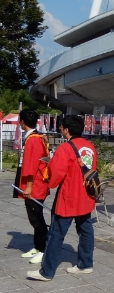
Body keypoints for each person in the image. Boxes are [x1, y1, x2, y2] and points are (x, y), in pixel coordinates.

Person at [27, 115, 97, 281]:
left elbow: (56, 174)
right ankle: (85, 264)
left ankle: (47, 271)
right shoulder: (90, 146)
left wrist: (49, 177)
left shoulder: (65, 148)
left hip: (68, 195)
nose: (59, 129)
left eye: (61, 127)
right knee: (86, 230)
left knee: (56, 233)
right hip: (86, 194)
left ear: (67, 129)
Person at [17, 109, 50, 265]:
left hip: (35, 184)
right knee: (34, 217)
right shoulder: (35, 137)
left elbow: (32, 165)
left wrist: (28, 187)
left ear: (22, 121)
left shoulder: (33, 139)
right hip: (34, 183)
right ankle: (37, 246)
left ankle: (44, 249)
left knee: (36, 217)